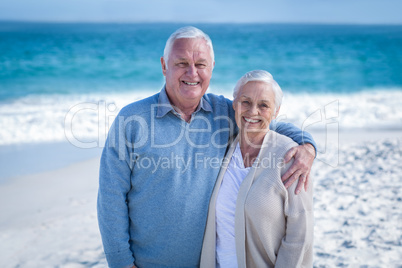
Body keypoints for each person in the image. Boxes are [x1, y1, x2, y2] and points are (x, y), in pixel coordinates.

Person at [97, 26, 316, 268]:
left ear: (211, 68)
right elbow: (111, 198)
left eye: (201, 64)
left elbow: (266, 122)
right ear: (163, 65)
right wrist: (121, 263)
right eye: (181, 62)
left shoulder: (225, 112)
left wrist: (308, 146)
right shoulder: (131, 120)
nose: (192, 73)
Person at [200, 70, 313, 268]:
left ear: (276, 112)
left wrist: (310, 146)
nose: (253, 112)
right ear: (234, 105)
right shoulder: (225, 148)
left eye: (263, 105)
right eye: (245, 102)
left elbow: (300, 236)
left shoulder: (290, 156)